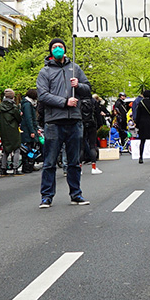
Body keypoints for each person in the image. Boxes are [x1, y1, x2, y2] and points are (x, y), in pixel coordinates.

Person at [36, 37, 91, 208]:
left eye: (60, 46)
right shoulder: (44, 72)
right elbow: (43, 95)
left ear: (65, 49)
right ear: (50, 51)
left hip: (74, 120)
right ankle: (46, 196)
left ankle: (76, 194)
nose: (57, 49)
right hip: (53, 122)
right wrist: (64, 102)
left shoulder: (75, 69)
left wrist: (79, 85)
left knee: (74, 162)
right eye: (54, 47)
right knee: (50, 162)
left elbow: (88, 89)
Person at [0, 89, 22, 175]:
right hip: (13, 129)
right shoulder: (14, 107)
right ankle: (15, 168)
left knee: (6, 149)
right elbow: (18, 119)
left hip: (3, 129)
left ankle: (3, 168)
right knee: (16, 148)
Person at [21, 89, 39, 173]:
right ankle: (28, 166)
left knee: (30, 148)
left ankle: (29, 165)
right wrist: (32, 131)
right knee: (29, 148)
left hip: (27, 129)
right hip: (28, 130)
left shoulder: (26, 103)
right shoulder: (28, 105)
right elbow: (29, 118)